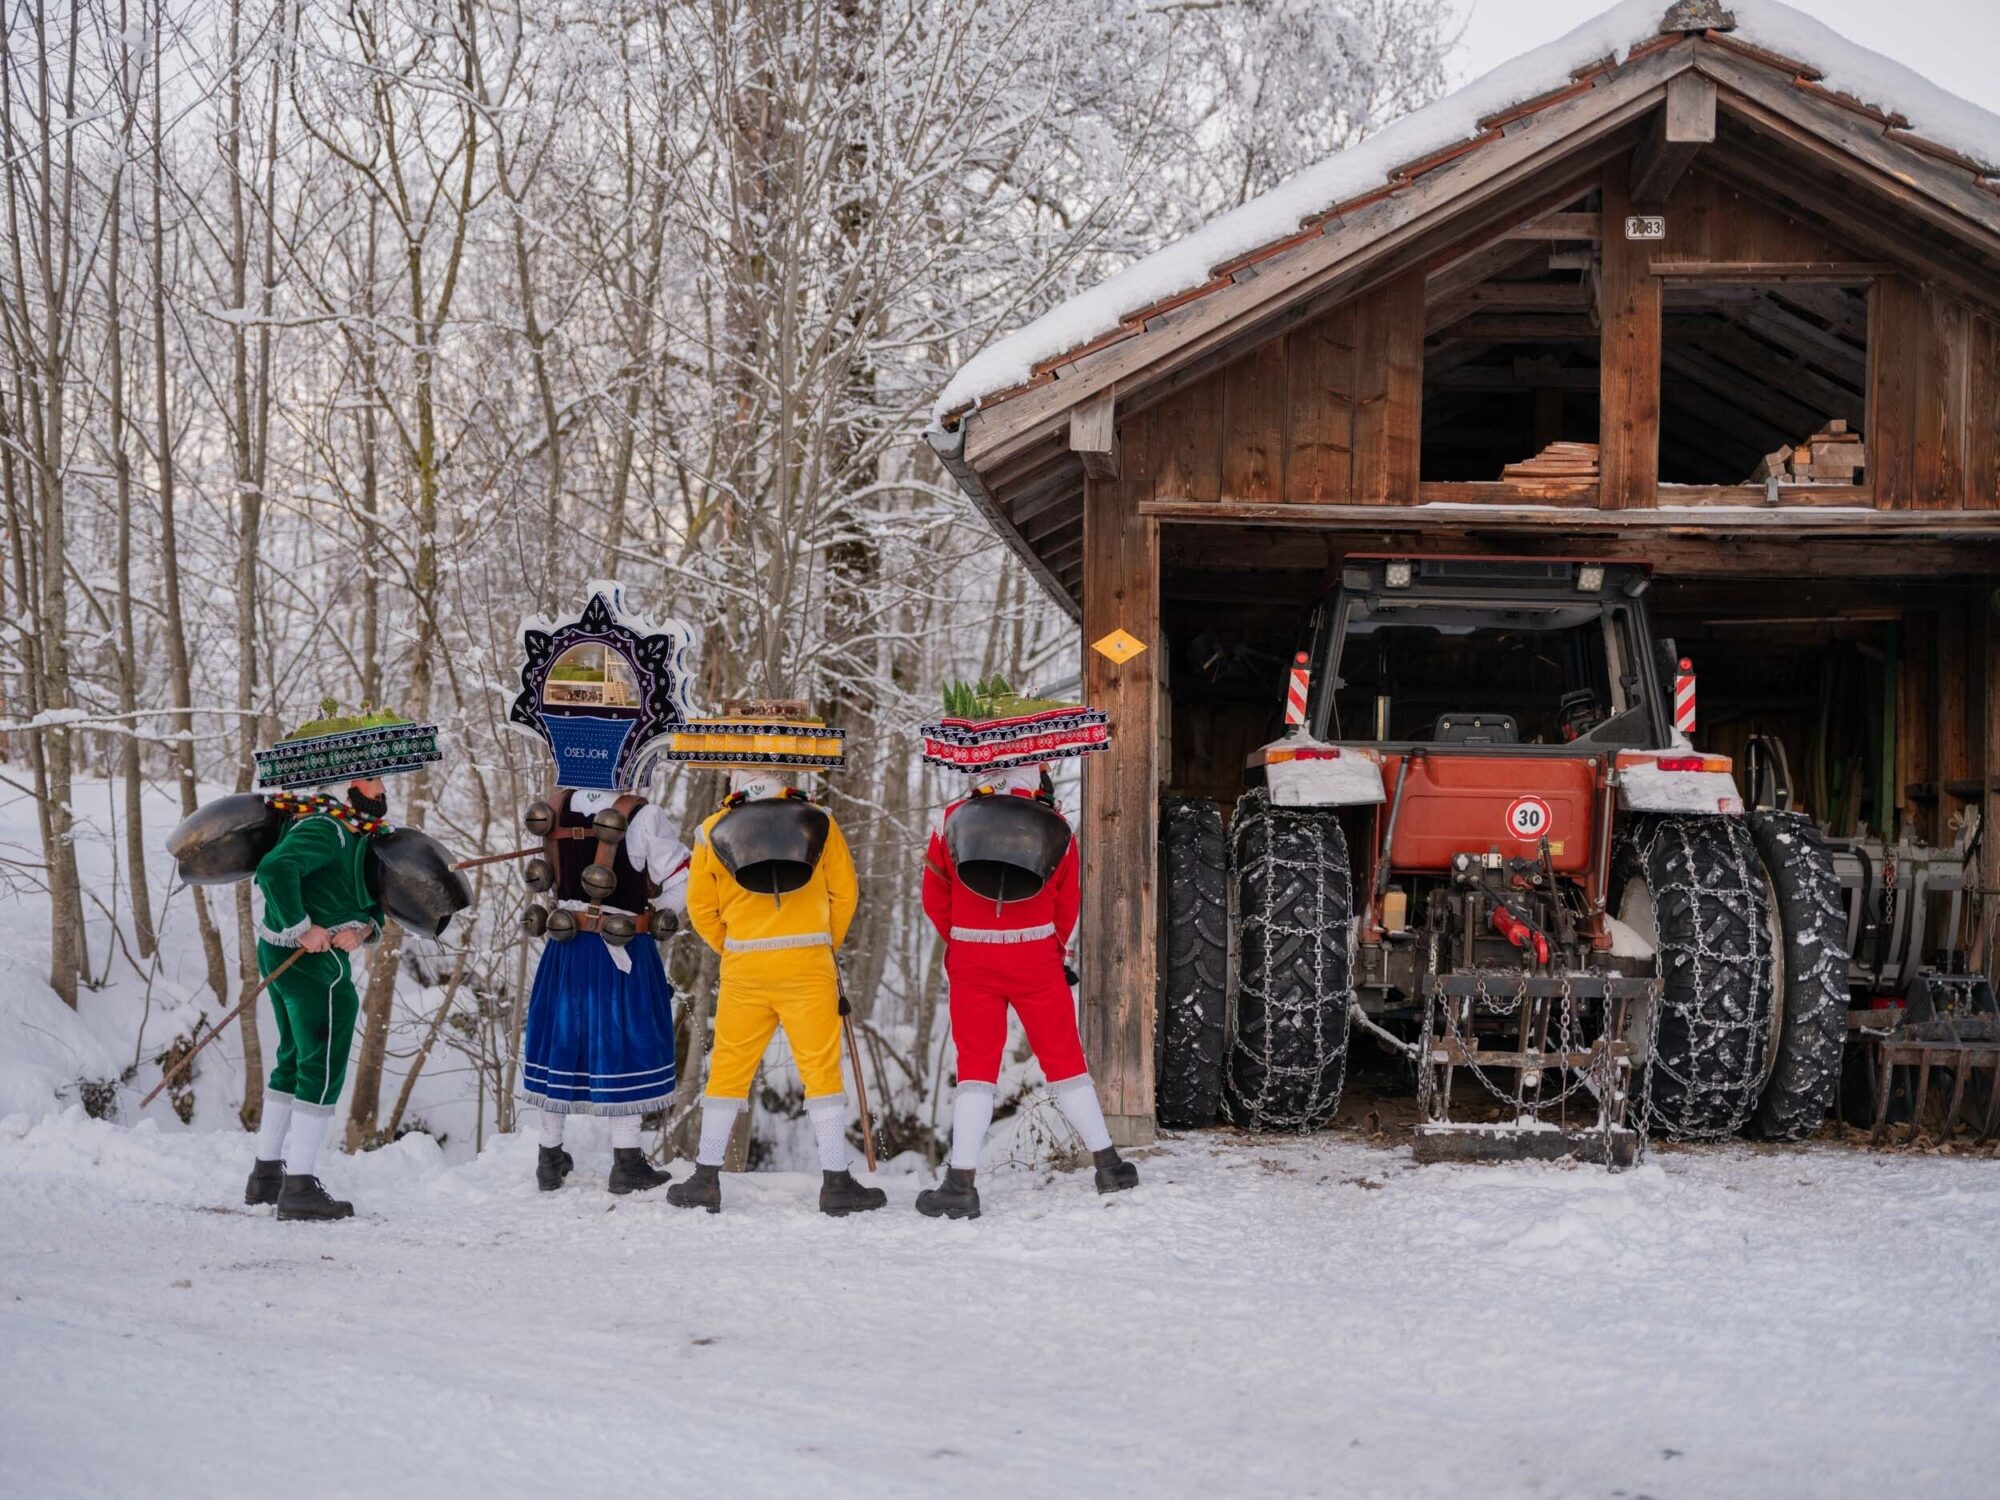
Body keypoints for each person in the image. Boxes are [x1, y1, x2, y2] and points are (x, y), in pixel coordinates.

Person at [911, 680, 1137, 1220]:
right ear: (1036, 765)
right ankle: (1107, 1163)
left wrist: (964, 938)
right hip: (1036, 957)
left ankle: (960, 1183)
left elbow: (933, 895)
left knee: (976, 1070)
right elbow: (1068, 903)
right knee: (1065, 1061)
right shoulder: (1056, 826)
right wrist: (1052, 949)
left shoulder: (949, 822)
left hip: (972, 960)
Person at [661, 701, 885, 1217]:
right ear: (787, 771)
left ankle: (705, 1177)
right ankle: (835, 1180)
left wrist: (734, 947)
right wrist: (821, 943)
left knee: (730, 1069)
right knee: (821, 1071)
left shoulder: (711, 829)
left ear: (736, 773)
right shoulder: (821, 823)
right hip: (808, 962)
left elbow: (701, 909)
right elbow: (845, 896)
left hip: (745, 967)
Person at [242, 703, 442, 1222]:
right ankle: (300, 1186)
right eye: (373, 779)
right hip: (311, 965)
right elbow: (274, 869)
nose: (382, 789)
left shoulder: (350, 832)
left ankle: (267, 1175)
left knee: (292, 1060)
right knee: (322, 1067)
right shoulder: (326, 827)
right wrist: (300, 926)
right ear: (346, 786)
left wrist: (362, 929)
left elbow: (361, 898)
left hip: (298, 957)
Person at [518, 789, 689, 1195]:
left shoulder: (557, 805)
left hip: (565, 948)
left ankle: (549, 1157)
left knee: (560, 1046)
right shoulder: (642, 815)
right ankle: (627, 1163)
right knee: (626, 1047)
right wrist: (652, 909)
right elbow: (684, 879)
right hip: (621, 947)